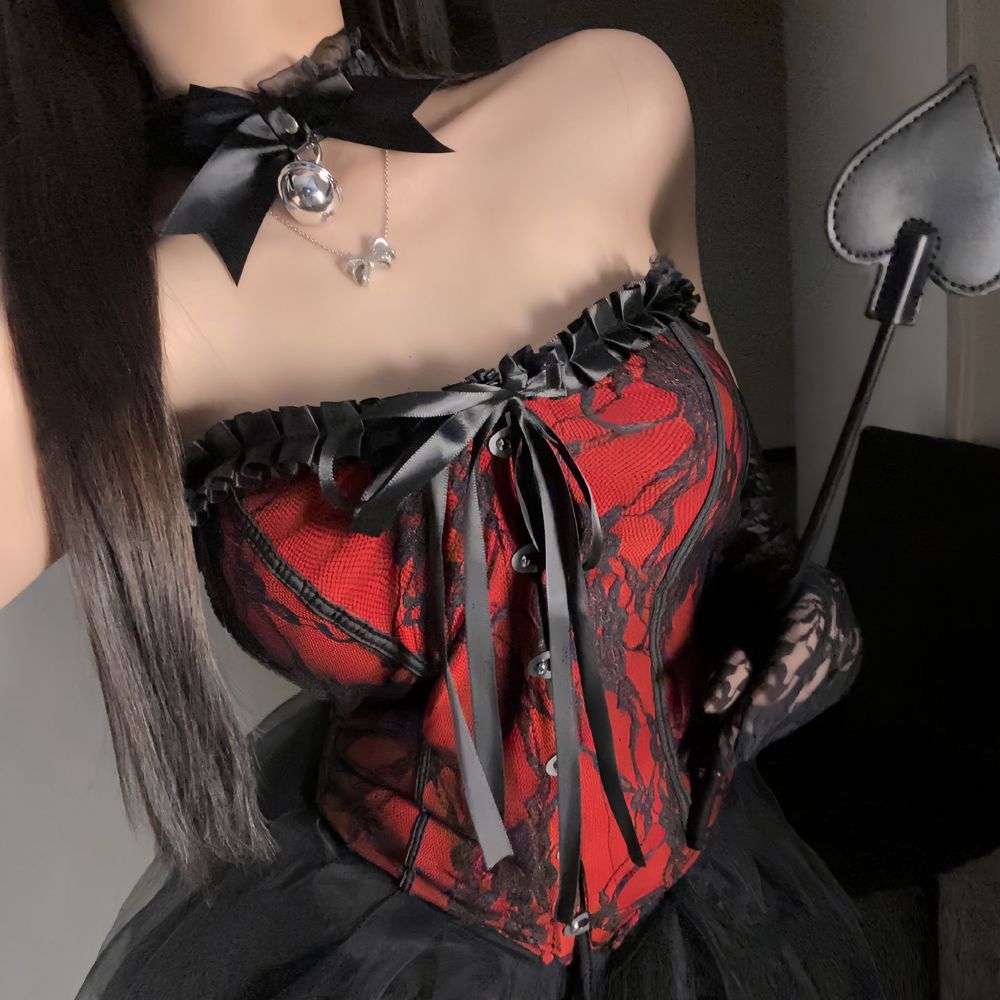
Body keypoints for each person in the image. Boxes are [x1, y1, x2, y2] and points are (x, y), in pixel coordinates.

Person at [0, 2, 885, 997]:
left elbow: (728, 510)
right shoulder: (89, 331)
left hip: (715, 905)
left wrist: (776, 600)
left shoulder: (614, 97)